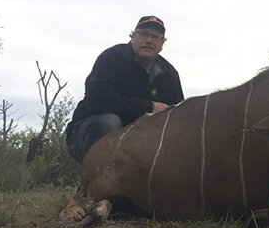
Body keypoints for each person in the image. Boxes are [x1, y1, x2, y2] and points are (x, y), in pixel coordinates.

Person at [66, 15, 184, 162]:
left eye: (155, 37)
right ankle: (94, 181)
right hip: (87, 132)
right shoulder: (111, 58)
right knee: (110, 122)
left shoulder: (169, 73)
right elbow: (97, 100)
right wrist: (149, 107)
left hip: (137, 138)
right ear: (133, 36)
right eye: (143, 34)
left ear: (161, 44)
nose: (149, 40)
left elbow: (179, 114)